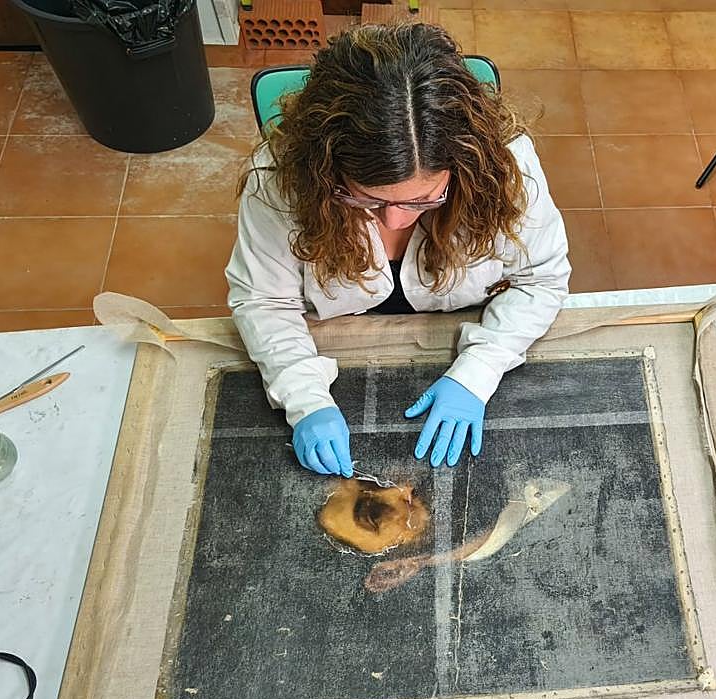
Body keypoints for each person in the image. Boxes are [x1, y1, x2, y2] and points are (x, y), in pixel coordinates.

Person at [226, 22, 570, 478]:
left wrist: (479, 372)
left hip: (456, 320)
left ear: (463, 165)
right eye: (367, 198)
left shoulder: (507, 169)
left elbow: (542, 279)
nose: (395, 221)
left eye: (422, 199)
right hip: (338, 326)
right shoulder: (278, 180)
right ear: (326, 169)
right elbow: (264, 301)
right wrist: (303, 397)